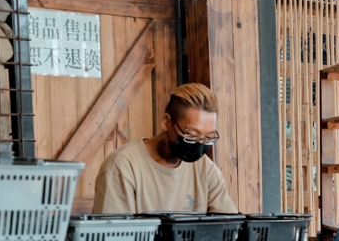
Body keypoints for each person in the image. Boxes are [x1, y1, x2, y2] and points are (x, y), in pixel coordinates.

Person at [92, 83, 239, 214]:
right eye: (192, 135)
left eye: (208, 137)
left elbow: (229, 226)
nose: (200, 143)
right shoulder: (123, 165)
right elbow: (112, 237)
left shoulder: (205, 169)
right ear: (166, 122)